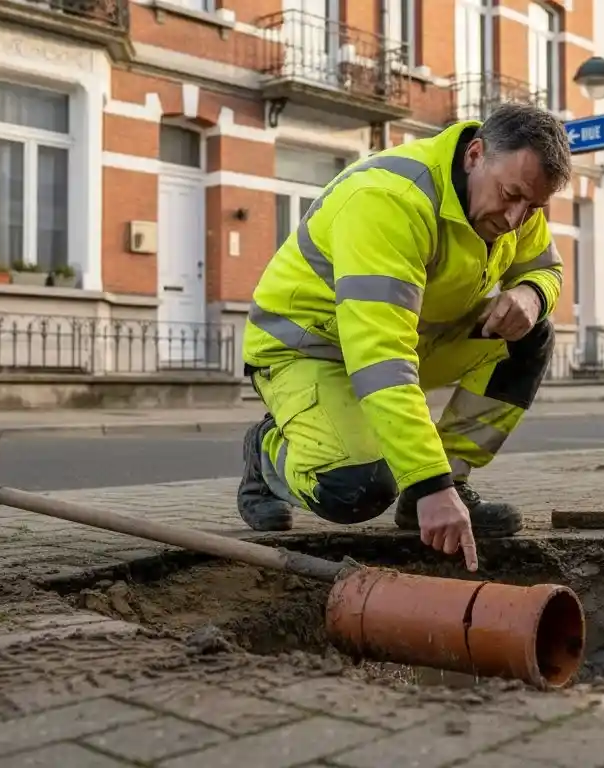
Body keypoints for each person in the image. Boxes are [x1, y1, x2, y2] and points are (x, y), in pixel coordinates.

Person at [237, 102, 572, 572]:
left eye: (532, 206)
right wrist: (426, 480)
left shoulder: (517, 197)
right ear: (475, 154)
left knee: (530, 333)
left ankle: (441, 487)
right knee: (356, 488)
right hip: (309, 348)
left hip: (412, 340)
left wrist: (533, 294)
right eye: (509, 195)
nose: (516, 218)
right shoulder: (389, 200)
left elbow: (544, 267)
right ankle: (268, 452)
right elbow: (381, 356)